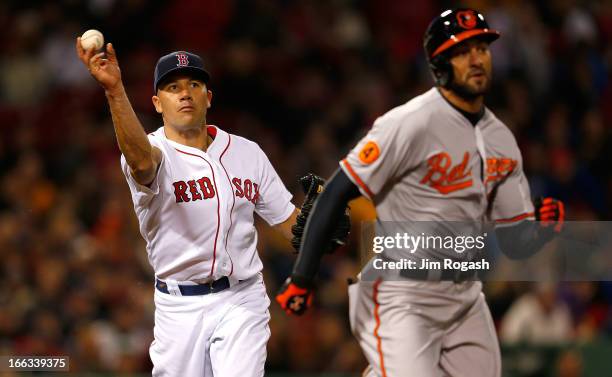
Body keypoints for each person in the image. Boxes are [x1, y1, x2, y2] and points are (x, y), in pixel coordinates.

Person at [276, 8, 565, 377]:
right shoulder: (409, 123)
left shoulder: (502, 141)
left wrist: (537, 228)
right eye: (462, 51)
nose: (476, 59)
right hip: (402, 292)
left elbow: (514, 242)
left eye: (482, 48)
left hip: (463, 295)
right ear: (440, 64)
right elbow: (336, 192)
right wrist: (302, 276)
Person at [75, 41, 348, 376]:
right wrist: (115, 91)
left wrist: (322, 223)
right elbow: (141, 162)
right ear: (158, 104)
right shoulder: (154, 151)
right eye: (173, 87)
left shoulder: (248, 153)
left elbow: (291, 225)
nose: (185, 93)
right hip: (178, 307)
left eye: (194, 85)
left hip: (241, 299)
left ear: (208, 97)